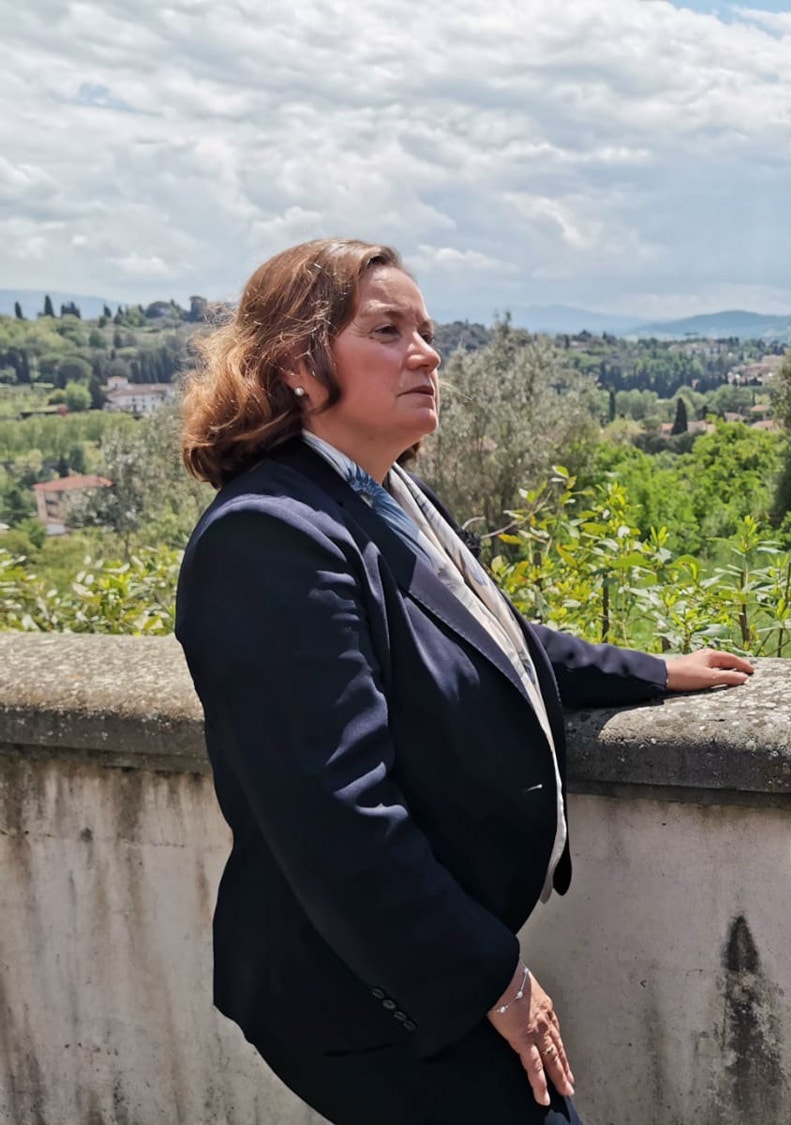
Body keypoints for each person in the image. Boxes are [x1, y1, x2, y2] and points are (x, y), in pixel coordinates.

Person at [174, 238, 754, 1125]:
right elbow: (338, 814)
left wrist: (656, 672)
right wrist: (493, 977)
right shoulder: (272, 540)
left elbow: (500, 646)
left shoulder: (386, 496)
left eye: (428, 330)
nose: (427, 352)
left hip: (406, 960)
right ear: (298, 362)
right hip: (361, 985)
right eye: (388, 329)